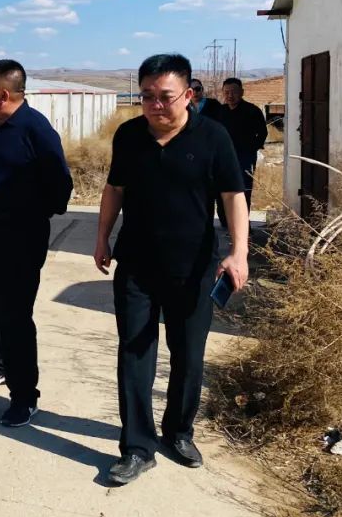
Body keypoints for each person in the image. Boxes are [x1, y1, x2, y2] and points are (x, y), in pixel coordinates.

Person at [94, 53, 249, 485]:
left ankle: (179, 432)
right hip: (137, 265)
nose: (156, 105)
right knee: (134, 352)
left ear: (188, 95)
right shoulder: (129, 135)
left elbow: (233, 196)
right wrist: (102, 236)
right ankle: (137, 447)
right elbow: (114, 188)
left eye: (165, 96)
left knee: (188, 355)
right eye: (147, 96)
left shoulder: (213, 136)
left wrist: (239, 252)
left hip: (193, 267)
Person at [0, 59, 73, 428]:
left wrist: (25, 211)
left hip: (20, 239)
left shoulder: (35, 130)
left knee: (14, 318)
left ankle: (25, 396)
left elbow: (61, 189)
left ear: (3, 95)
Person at [217, 77, 268, 222]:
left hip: (244, 157)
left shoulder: (252, 110)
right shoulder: (220, 111)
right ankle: (226, 221)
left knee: (243, 190)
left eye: (234, 92)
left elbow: (262, 133)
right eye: (227, 92)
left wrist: (251, 148)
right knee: (223, 189)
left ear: (242, 92)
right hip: (223, 158)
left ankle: (243, 224)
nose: (230, 96)